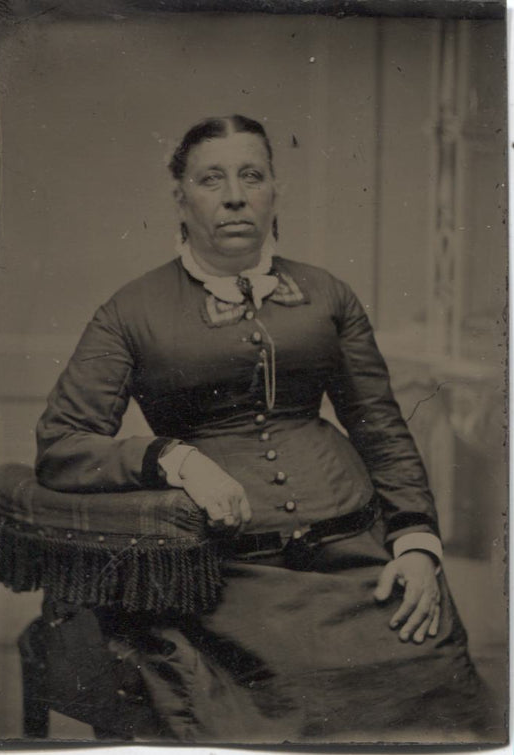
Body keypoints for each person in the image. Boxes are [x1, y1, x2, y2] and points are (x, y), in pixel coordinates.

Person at [34, 114, 492, 742]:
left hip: (358, 561)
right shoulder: (130, 311)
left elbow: (381, 429)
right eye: (211, 179)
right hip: (224, 584)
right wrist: (172, 458)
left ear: (275, 190)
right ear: (181, 197)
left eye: (252, 175)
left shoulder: (329, 295)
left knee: (437, 691)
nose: (233, 196)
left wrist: (414, 543)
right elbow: (62, 444)